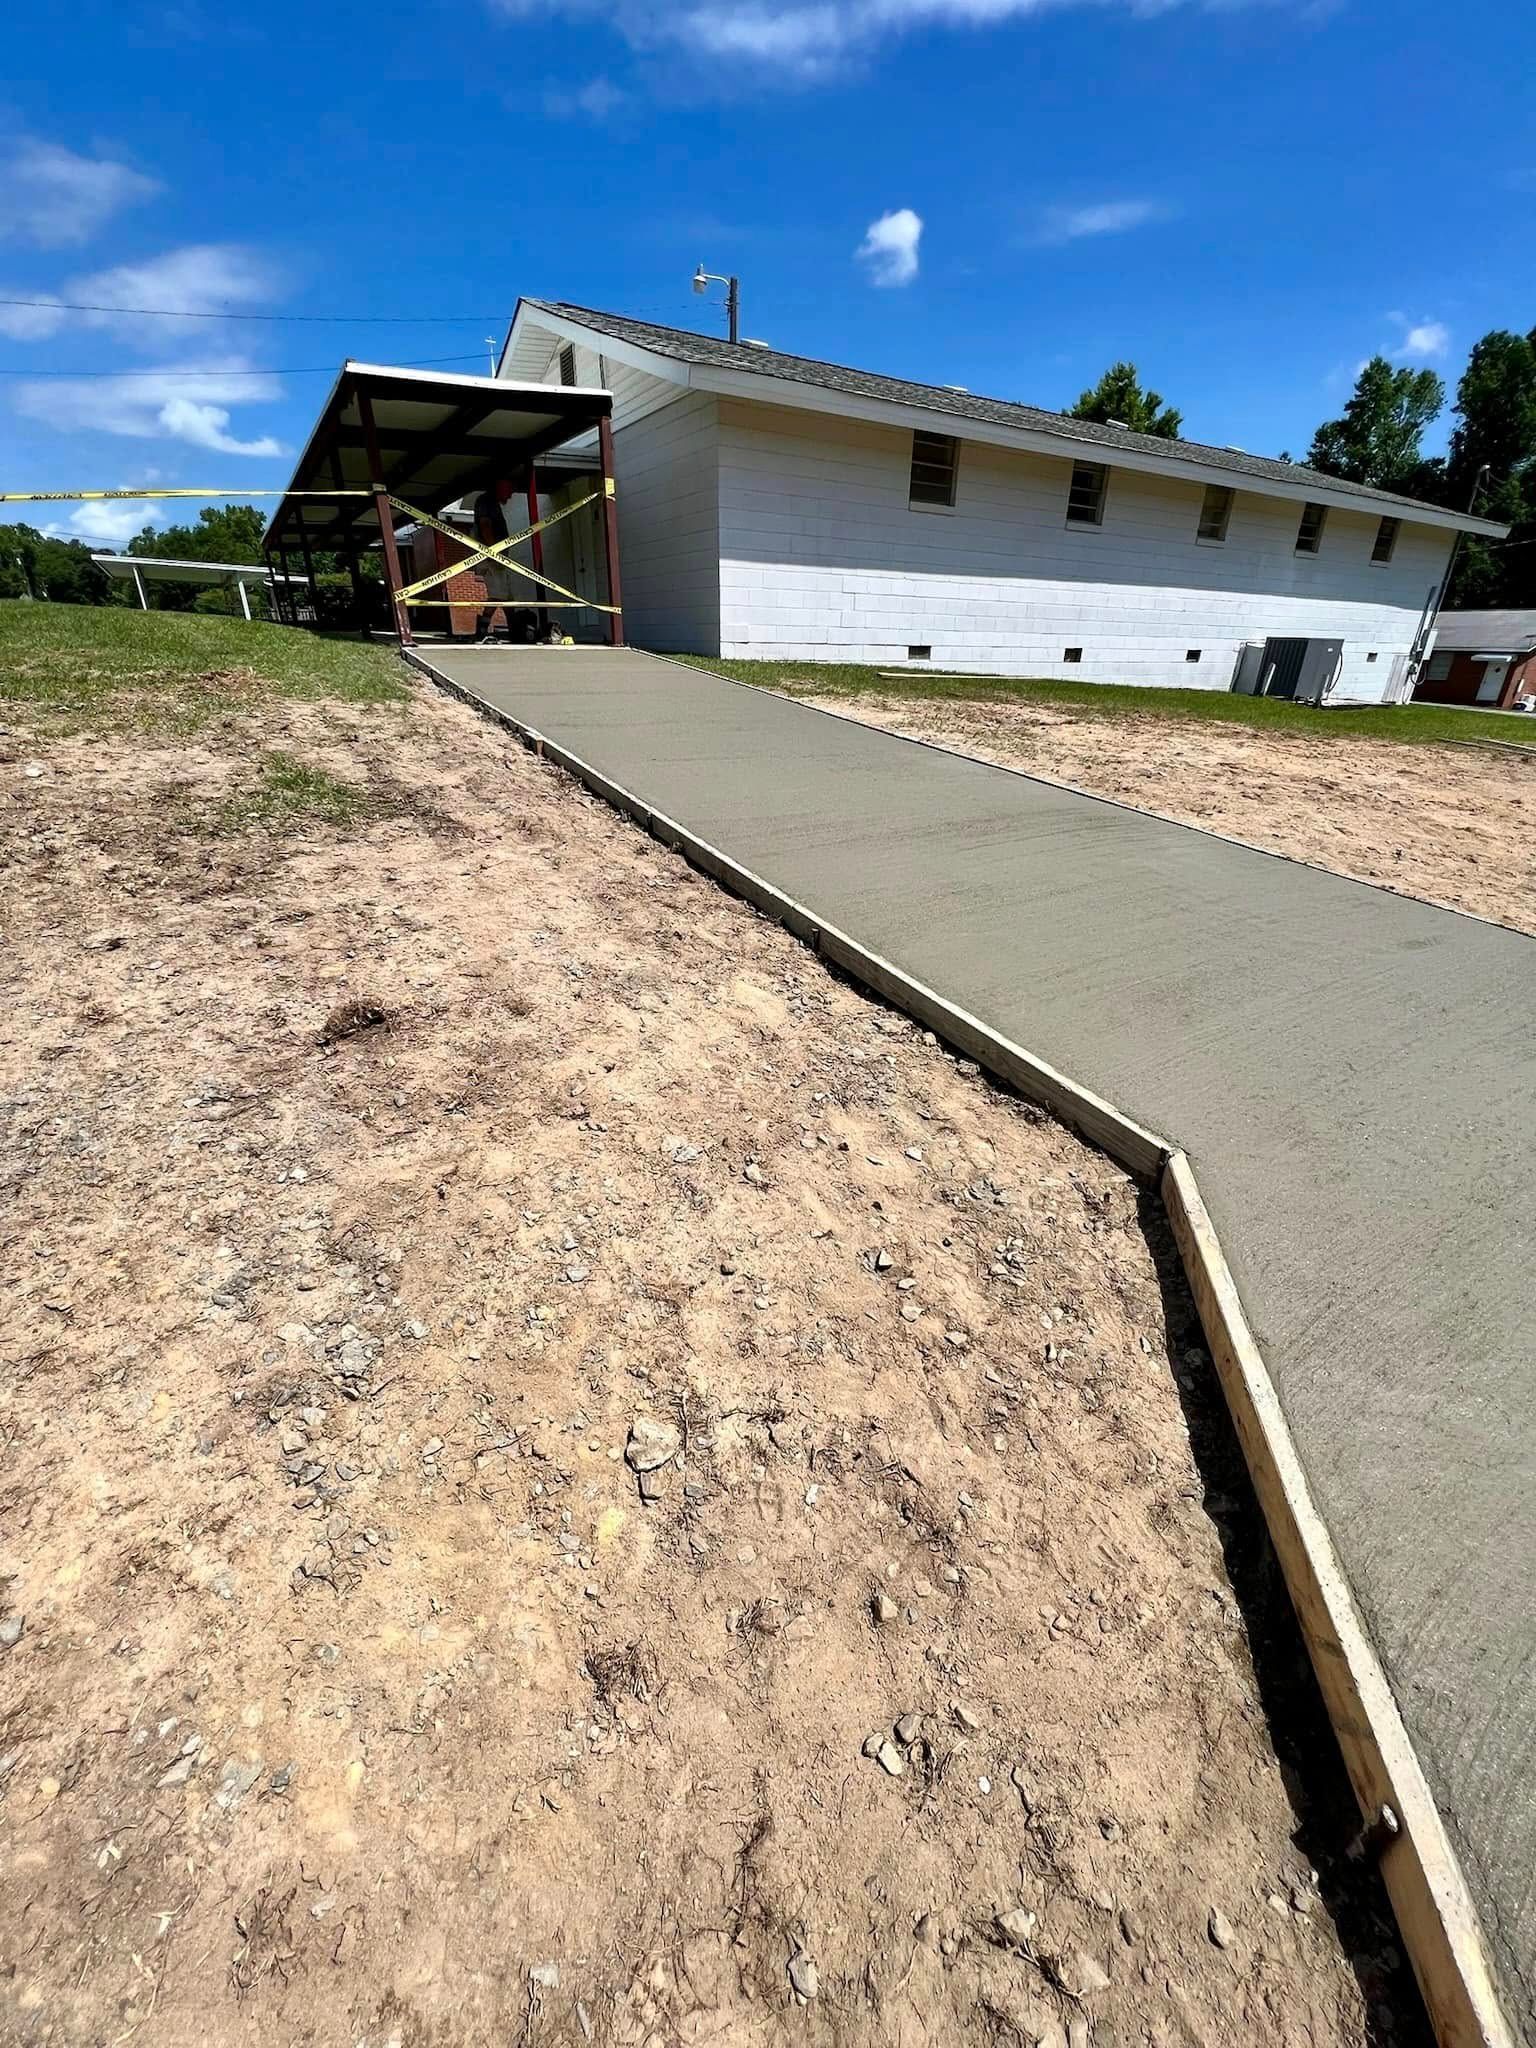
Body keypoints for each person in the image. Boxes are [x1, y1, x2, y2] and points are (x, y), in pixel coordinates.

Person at [470, 477, 519, 643]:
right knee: (498, 595)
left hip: (497, 558)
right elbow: (485, 526)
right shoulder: (486, 502)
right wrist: (494, 552)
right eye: (509, 491)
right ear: (500, 487)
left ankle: (515, 630)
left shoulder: (492, 503)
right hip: (492, 558)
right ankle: (482, 630)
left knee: (508, 596)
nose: (510, 495)